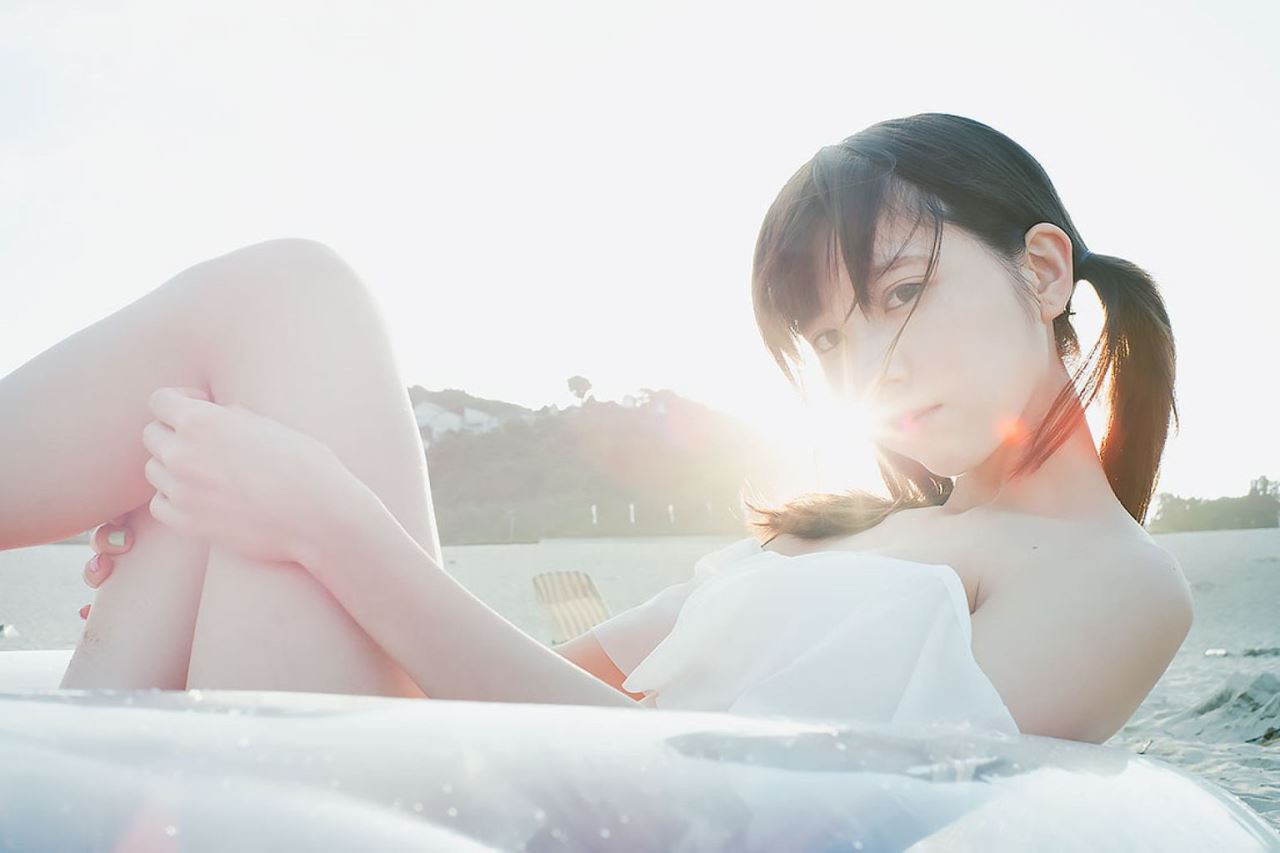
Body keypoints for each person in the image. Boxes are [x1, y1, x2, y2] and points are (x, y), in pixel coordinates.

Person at [8, 112, 1191, 743]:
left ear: (1043, 271)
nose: (871, 364)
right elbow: (526, 689)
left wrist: (331, 528)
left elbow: (743, 815)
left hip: (512, 826)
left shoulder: (1114, 578)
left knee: (295, 295)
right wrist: (238, 519)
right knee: (229, 411)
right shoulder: (832, 535)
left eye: (900, 292)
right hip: (445, 784)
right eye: (831, 338)